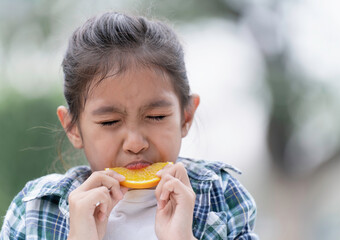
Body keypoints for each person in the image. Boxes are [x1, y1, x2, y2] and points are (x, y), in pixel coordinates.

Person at [0, 12, 258, 240]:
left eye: (156, 116)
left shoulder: (221, 197)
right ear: (73, 128)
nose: (135, 143)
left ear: (186, 117)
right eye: (110, 122)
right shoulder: (34, 211)